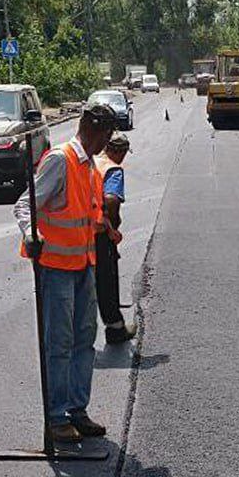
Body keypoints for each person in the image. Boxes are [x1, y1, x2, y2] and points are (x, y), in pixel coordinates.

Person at [13, 104, 120, 443]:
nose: (107, 141)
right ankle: (57, 417)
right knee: (59, 344)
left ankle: (77, 410)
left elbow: (78, 210)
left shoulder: (88, 164)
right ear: (94, 130)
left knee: (84, 341)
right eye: (106, 134)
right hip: (56, 268)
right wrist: (32, 233)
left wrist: (101, 225)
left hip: (83, 265)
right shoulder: (61, 159)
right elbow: (24, 204)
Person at [95, 132, 135, 344]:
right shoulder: (113, 169)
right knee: (107, 281)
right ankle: (116, 329)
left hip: (82, 231)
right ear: (119, 151)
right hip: (100, 233)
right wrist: (113, 224)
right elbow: (111, 200)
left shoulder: (94, 161)